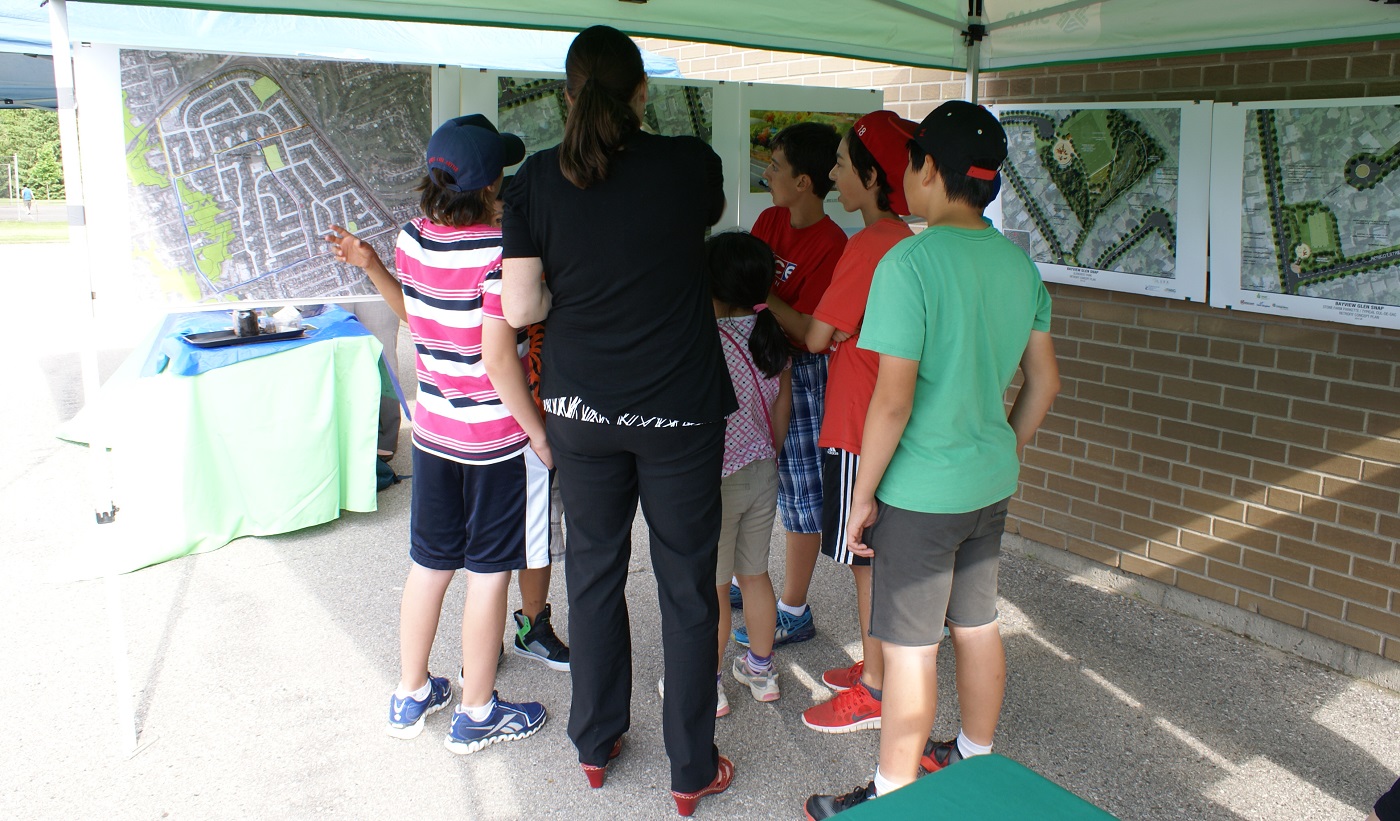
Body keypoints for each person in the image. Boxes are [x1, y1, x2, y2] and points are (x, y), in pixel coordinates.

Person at [499, 25, 736, 816]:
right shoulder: (689, 167)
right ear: (643, 93)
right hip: (677, 409)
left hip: (578, 406)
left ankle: (596, 743)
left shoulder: (534, 180)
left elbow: (523, 306)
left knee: (594, 570)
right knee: (686, 583)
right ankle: (689, 766)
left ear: (569, 95)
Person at [804, 100, 1061, 818]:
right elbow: (1046, 381)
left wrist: (864, 496)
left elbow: (891, 402)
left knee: (912, 647)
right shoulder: (1017, 264)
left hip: (921, 491)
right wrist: (1004, 443)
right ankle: (972, 763)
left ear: (927, 171)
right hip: (987, 483)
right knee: (976, 625)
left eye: (912, 162)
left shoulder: (908, 261)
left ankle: (889, 795)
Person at [324, 113, 551, 756]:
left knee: (429, 564)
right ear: (488, 186)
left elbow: (417, 317)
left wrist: (370, 263)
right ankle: (478, 711)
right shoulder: (499, 253)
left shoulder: (411, 238)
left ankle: (411, 690)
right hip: (491, 440)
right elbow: (500, 356)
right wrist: (537, 433)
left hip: (432, 434)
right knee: (488, 574)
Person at [764, 111, 918, 737]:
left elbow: (812, 332)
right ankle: (872, 666)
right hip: (875, 415)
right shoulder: (906, 240)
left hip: (859, 421)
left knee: (865, 557)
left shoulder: (868, 245)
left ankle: (876, 688)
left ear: (873, 177)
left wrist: (755, 288)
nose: (832, 175)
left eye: (842, 166)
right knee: (871, 555)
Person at [733, 121, 846, 651]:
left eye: (776, 166)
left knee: (801, 492)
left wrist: (758, 293)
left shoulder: (832, 244)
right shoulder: (769, 219)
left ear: (804, 181)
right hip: (758, 363)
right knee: (753, 475)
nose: (768, 173)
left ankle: (794, 609)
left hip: (800, 375)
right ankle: (749, 578)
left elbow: (809, 332)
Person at [705, 231, 792, 714]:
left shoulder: (708, 341)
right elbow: (783, 406)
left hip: (718, 480)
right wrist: (768, 452)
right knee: (754, 575)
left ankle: (709, 682)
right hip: (763, 470)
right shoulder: (770, 335)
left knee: (715, 588)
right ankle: (761, 672)